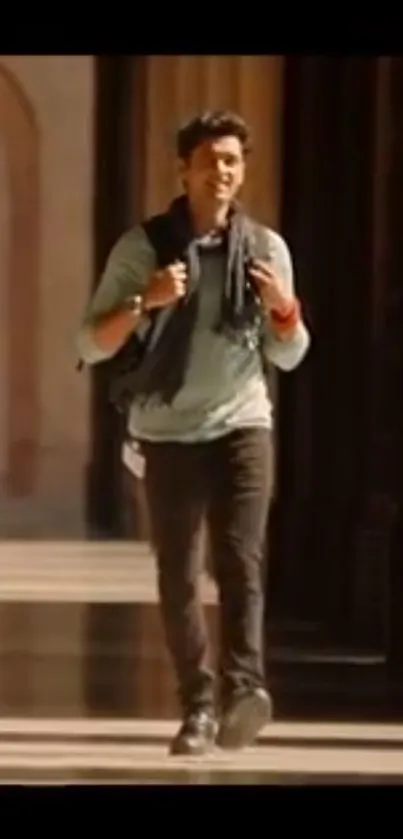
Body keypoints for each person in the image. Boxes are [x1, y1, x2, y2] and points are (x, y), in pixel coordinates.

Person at [76, 110, 310, 756]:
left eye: (232, 160)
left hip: (241, 422)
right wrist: (142, 300)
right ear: (183, 169)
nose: (221, 172)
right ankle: (198, 705)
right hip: (166, 429)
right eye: (209, 161)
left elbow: (289, 353)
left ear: (243, 170)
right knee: (178, 577)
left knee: (241, 563)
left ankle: (244, 690)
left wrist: (281, 312)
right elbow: (89, 342)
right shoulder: (143, 247)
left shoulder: (264, 249)